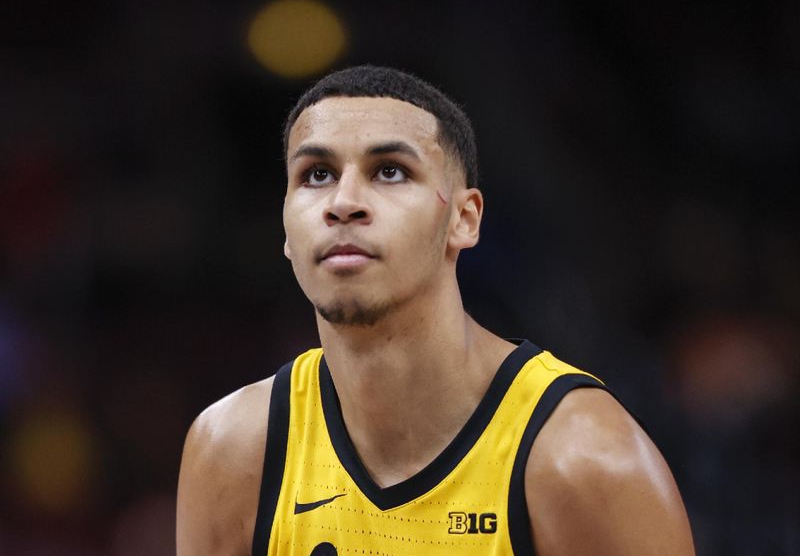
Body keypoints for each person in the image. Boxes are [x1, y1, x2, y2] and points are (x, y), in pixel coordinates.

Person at [176, 65, 695, 555]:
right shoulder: (234, 451)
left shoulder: (585, 459)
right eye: (316, 175)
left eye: (389, 171)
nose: (343, 201)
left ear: (464, 220)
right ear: (286, 229)